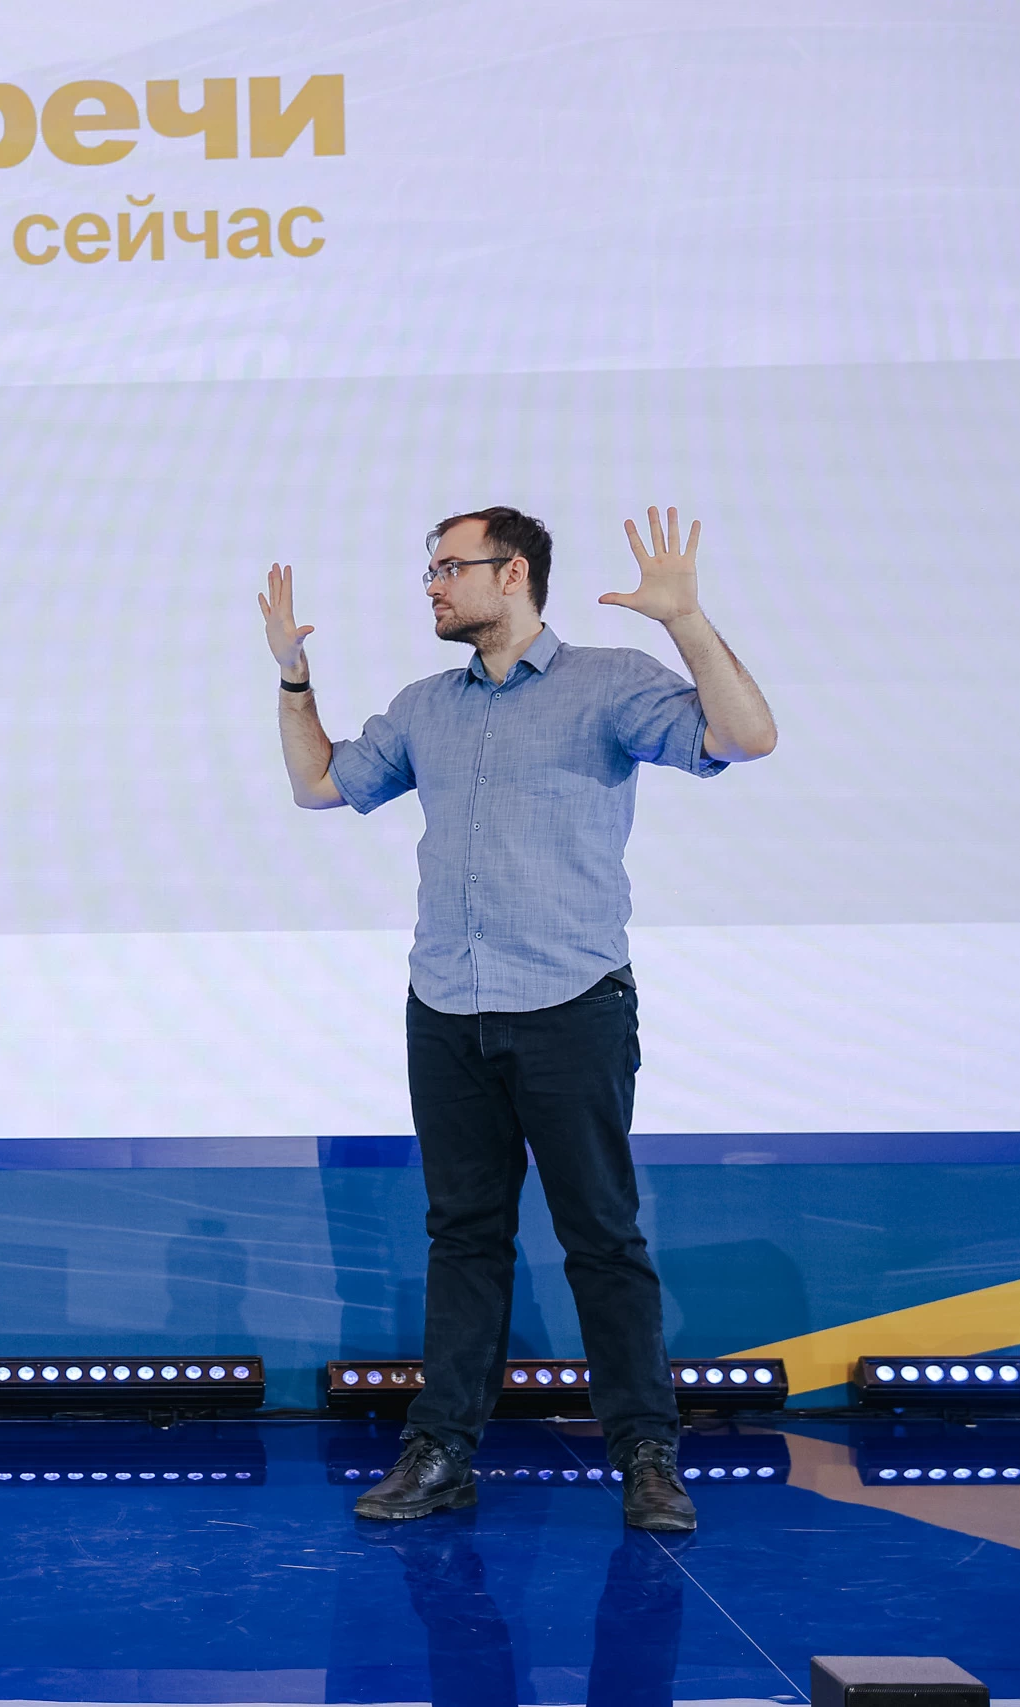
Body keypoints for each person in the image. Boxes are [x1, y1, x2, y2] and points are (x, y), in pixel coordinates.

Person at [261, 506, 775, 1532]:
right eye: (430, 568)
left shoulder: (609, 684)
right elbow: (319, 785)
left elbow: (744, 738)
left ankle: (646, 1456)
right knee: (464, 1239)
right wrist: (292, 678)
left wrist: (685, 620)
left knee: (602, 1239)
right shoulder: (425, 707)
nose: (432, 584)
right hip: (448, 1008)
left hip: (572, 1005)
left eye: (450, 566)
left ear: (514, 574)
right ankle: (442, 1452)